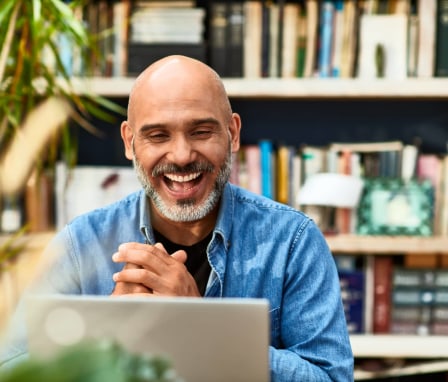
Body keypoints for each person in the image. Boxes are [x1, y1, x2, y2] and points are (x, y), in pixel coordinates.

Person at [0, 55, 353, 380]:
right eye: (158, 135)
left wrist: (199, 326)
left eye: (201, 131)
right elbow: (13, 370)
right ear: (129, 141)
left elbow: (331, 378)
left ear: (232, 133)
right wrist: (103, 336)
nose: (182, 155)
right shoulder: (80, 244)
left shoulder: (293, 241)